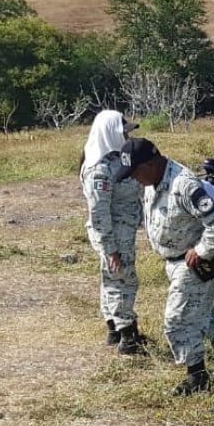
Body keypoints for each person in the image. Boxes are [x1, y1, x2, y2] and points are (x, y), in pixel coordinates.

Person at [115, 138, 214, 396]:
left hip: (194, 264)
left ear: (151, 164)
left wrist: (202, 251)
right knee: (203, 311)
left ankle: (197, 376)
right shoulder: (153, 180)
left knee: (177, 320)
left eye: (135, 172)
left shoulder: (183, 185)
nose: (134, 179)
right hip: (174, 262)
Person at [80, 109, 145, 355]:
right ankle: (128, 337)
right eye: (123, 132)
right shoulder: (100, 170)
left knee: (111, 279)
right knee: (123, 281)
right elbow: (99, 213)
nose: (127, 137)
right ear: (110, 134)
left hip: (121, 233)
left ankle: (114, 329)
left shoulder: (115, 161)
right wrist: (110, 249)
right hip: (114, 236)